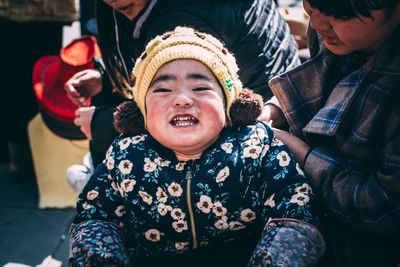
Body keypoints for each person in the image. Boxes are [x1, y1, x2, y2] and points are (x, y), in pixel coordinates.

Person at [68, 26, 325, 267]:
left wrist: (273, 260)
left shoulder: (257, 147)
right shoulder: (125, 156)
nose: (181, 99)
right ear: (141, 113)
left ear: (231, 107)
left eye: (200, 87)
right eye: (163, 89)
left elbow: (295, 208)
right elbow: (96, 217)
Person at [64, 0, 301, 191]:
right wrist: (106, 78)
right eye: (163, 88)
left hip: (248, 127)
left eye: (198, 88)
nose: (112, 1)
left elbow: (186, 124)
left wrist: (101, 126)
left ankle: (102, 180)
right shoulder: (157, 11)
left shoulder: (182, 22)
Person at [262, 0, 400, 266]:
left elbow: (385, 208)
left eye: (338, 14)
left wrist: (300, 153)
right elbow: (318, 80)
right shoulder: (338, 35)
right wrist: (272, 110)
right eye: (311, 5)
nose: (316, 23)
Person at [0, 0, 78, 177]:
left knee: (38, 82)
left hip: (44, 13)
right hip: (35, 12)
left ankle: (28, 158)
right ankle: (23, 157)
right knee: (23, 83)